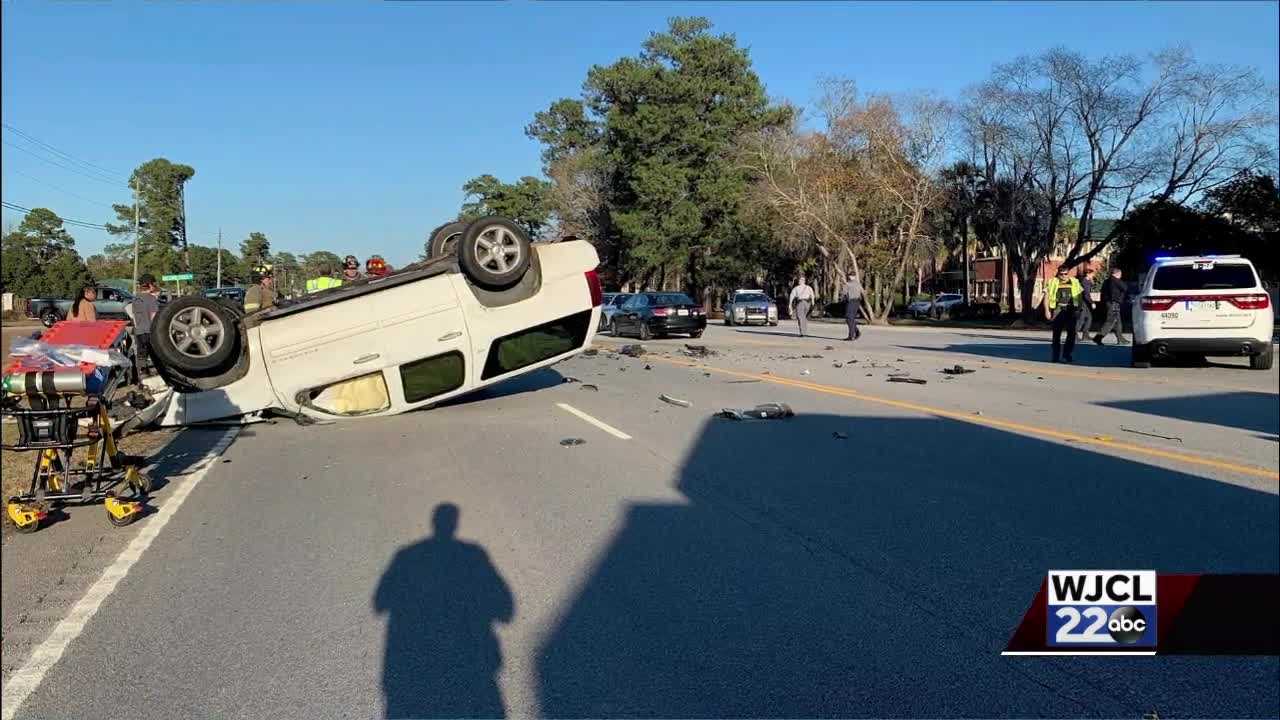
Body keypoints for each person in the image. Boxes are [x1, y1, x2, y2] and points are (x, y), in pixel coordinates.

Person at [1044, 267, 1083, 363]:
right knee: (1056, 334)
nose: (1063, 276)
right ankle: (1055, 356)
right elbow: (1046, 297)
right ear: (1058, 273)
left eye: (1065, 274)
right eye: (1061, 274)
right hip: (1058, 310)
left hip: (1071, 310)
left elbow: (1080, 296)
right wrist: (1047, 311)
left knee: (1071, 334)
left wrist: (1079, 309)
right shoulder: (1052, 282)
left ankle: (1067, 354)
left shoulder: (1075, 282)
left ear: (1068, 273)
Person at [129, 275, 161, 376]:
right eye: (153, 284)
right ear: (150, 285)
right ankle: (156, 372)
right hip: (150, 331)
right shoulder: (151, 299)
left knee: (141, 353)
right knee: (154, 353)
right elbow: (154, 317)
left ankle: (142, 373)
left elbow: (133, 316)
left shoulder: (135, 299)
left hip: (138, 331)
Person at [1094, 267, 1130, 345]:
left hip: (1108, 303)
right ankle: (1098, 337)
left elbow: (1102, 293)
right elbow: (1125, 288)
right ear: (1117, 274)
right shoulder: (1116, 280)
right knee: (1110, 321)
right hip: (1114, 303)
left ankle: (1120, 338)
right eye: (1120, 274)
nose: (1121, 276)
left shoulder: (1106, 281)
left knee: (1118, 322)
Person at [842, 271, 863, 341]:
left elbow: (844, 293)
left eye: (852, 275)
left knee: (848, 318)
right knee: (851, 318)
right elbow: (862, 291)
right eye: (851, 275)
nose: (851, 276)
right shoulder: (858, 284)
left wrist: (844, 284)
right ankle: (856, 332)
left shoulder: (847, 284)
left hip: (851, 302)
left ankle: (851, 335)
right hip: (857, 301)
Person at [1075, 269, 1094, 341]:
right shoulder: (1084, 282)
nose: (1093, 275)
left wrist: (1091, 281)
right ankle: (1074, 335)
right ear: (1088, 274)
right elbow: (1086, 295)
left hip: (1085, 303)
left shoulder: (1088, 281)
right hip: (1082, 303)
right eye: (1092, 274)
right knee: (1081, 319)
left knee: (1089, 318)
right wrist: (1092, 303)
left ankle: (1085, 335)